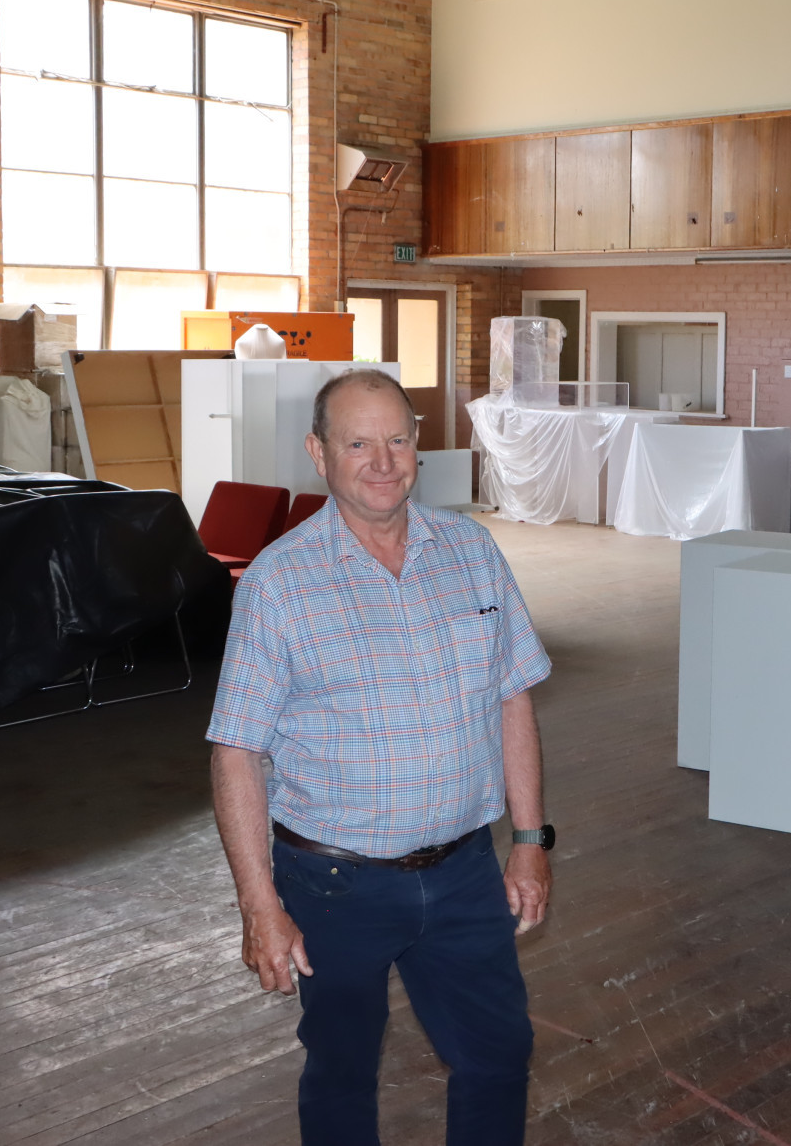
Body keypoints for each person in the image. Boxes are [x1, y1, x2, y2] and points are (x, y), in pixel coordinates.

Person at [207, 368, 555, 1145]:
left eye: (397, 439)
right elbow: (236, 750)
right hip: (335, 886)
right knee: (342, 1071)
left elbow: (513, 696)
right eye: (358, 443)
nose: (382, 461)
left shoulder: (472, 550)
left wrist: (530, 840)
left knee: (499, 1055)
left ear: (417, 444)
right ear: (319, 453)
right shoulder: (279, 583)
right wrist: (260, 905)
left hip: (464, 872)